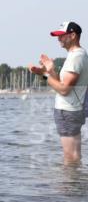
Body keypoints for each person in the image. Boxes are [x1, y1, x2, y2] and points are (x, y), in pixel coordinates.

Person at [29, 21, 85, 165]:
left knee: (70, 157)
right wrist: (48, 70)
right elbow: (61, 83)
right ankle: (74, 185)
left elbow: (64, 90)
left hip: (68, 111)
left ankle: (70, 186)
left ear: (73, 35)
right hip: (69, 110)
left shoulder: (76, 57)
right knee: (72, 156)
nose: (58, 39)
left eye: (61, 35)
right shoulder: (75, 55)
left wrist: (46, 76)